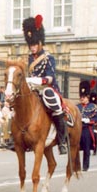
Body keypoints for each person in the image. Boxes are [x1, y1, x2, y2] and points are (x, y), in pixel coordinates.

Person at [23, 15, 68, 155]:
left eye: (34, 45)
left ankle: (62, 140)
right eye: (31, 45)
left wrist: (38, 81)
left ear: (40, 43)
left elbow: (50, 77)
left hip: (47, 88)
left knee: (55, 105)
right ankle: (16, 137)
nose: (32, 48)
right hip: (33, 88)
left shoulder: (49, 58)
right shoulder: (30, 58)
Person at [77, 81, 97, 171]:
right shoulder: (77, 106)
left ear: (87, 97)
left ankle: (85, 166)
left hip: (87, 129)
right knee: (75, 147)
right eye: (81, 97)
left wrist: (89, 120)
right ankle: (76, 165)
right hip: (78, 129)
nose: (82, 98)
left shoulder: (93, 106)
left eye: (84, 97)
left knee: (86, 148)